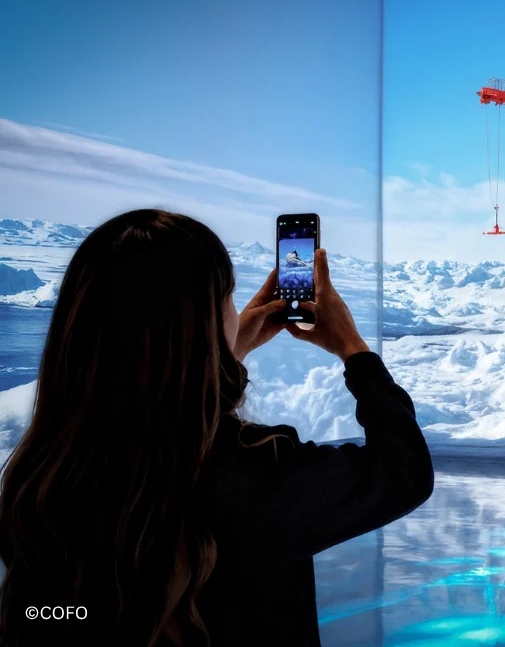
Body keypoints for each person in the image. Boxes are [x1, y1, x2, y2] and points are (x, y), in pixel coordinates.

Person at [0, 209, 434, 646]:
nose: (234, 309)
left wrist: (224, 357)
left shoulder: (38, 482)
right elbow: (403, 472)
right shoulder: (257, 476)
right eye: (226, 298)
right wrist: (354, 350)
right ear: (202, 324)